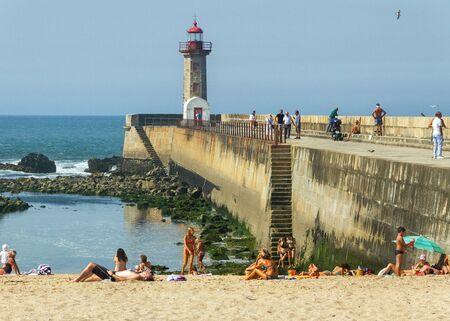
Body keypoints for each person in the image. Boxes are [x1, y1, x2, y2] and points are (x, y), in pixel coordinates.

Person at [72, 262, 154, 282]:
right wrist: (142, 266)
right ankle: (79, 279)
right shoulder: (138, 273)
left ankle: (77, 280)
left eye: (147, 274)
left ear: (145, 277)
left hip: (111, 277)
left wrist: (112, 274)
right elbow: (151, 272)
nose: (146, 272)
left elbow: (122, 280)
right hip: (112, 274)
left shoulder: (137, 276)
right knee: (93, 270)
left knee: (92, 265)